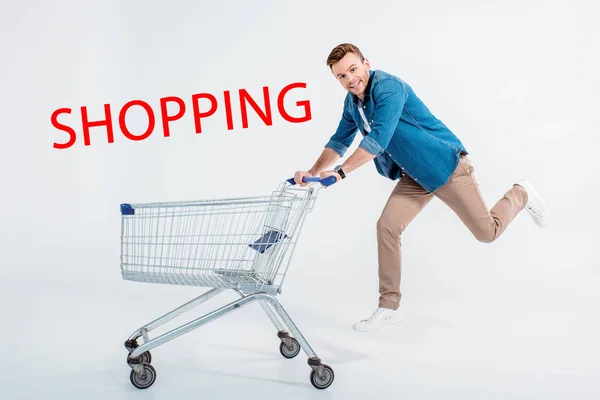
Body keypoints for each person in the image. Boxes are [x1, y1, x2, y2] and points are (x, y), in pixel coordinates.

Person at [293, 43, 548, 332]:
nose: (350, 79)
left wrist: (340, 173)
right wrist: (313, 172)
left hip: (445, 166)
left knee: (487, 233)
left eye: (353, 69)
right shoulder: (353, 103)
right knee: (387, 226)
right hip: (414, 175)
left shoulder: (389, 88)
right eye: (341, 76)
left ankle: (521, 193)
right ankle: (389, 307)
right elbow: (339, 140)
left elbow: (378, 139)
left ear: (366, 63)